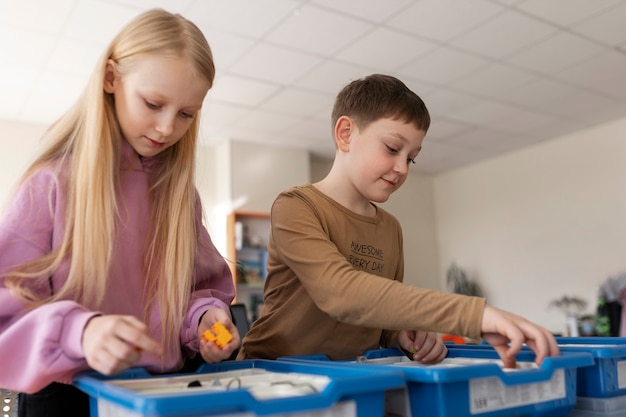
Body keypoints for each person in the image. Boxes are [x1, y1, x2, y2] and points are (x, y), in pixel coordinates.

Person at [0, 9, 240, 417]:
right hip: (69, 397)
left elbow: (195, 290)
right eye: (153, 103)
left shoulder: (180, 196)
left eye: (186, 114)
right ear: (111, 78)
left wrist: (204, 320)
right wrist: (82, 331)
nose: (167, 128)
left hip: (163, 392)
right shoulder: (52, 184)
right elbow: (10, 306)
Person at [238, 74, 559, 367]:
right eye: (392, 148)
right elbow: (340, 294)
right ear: (345, 133)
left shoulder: (391, 228)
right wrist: (475, 315)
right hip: (269, 373)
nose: (403, 168)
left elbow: (375, 319)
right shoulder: (296, 205)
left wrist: (402, 333)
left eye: (411, 158)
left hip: (353, 376)